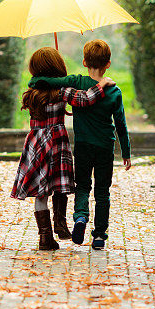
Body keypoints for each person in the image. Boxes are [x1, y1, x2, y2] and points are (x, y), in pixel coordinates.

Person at [28, 39, 131, 251]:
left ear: (84, 61)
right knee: (92, 189)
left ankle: (65, 226)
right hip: (83, 146)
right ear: (108, 64)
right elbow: (113, 119)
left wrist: (36, 81)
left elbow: (49, 83)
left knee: (69, 188)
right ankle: (94, 233)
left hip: (60, 146)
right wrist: (126, 152)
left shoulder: (59, 86)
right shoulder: (106, 91)